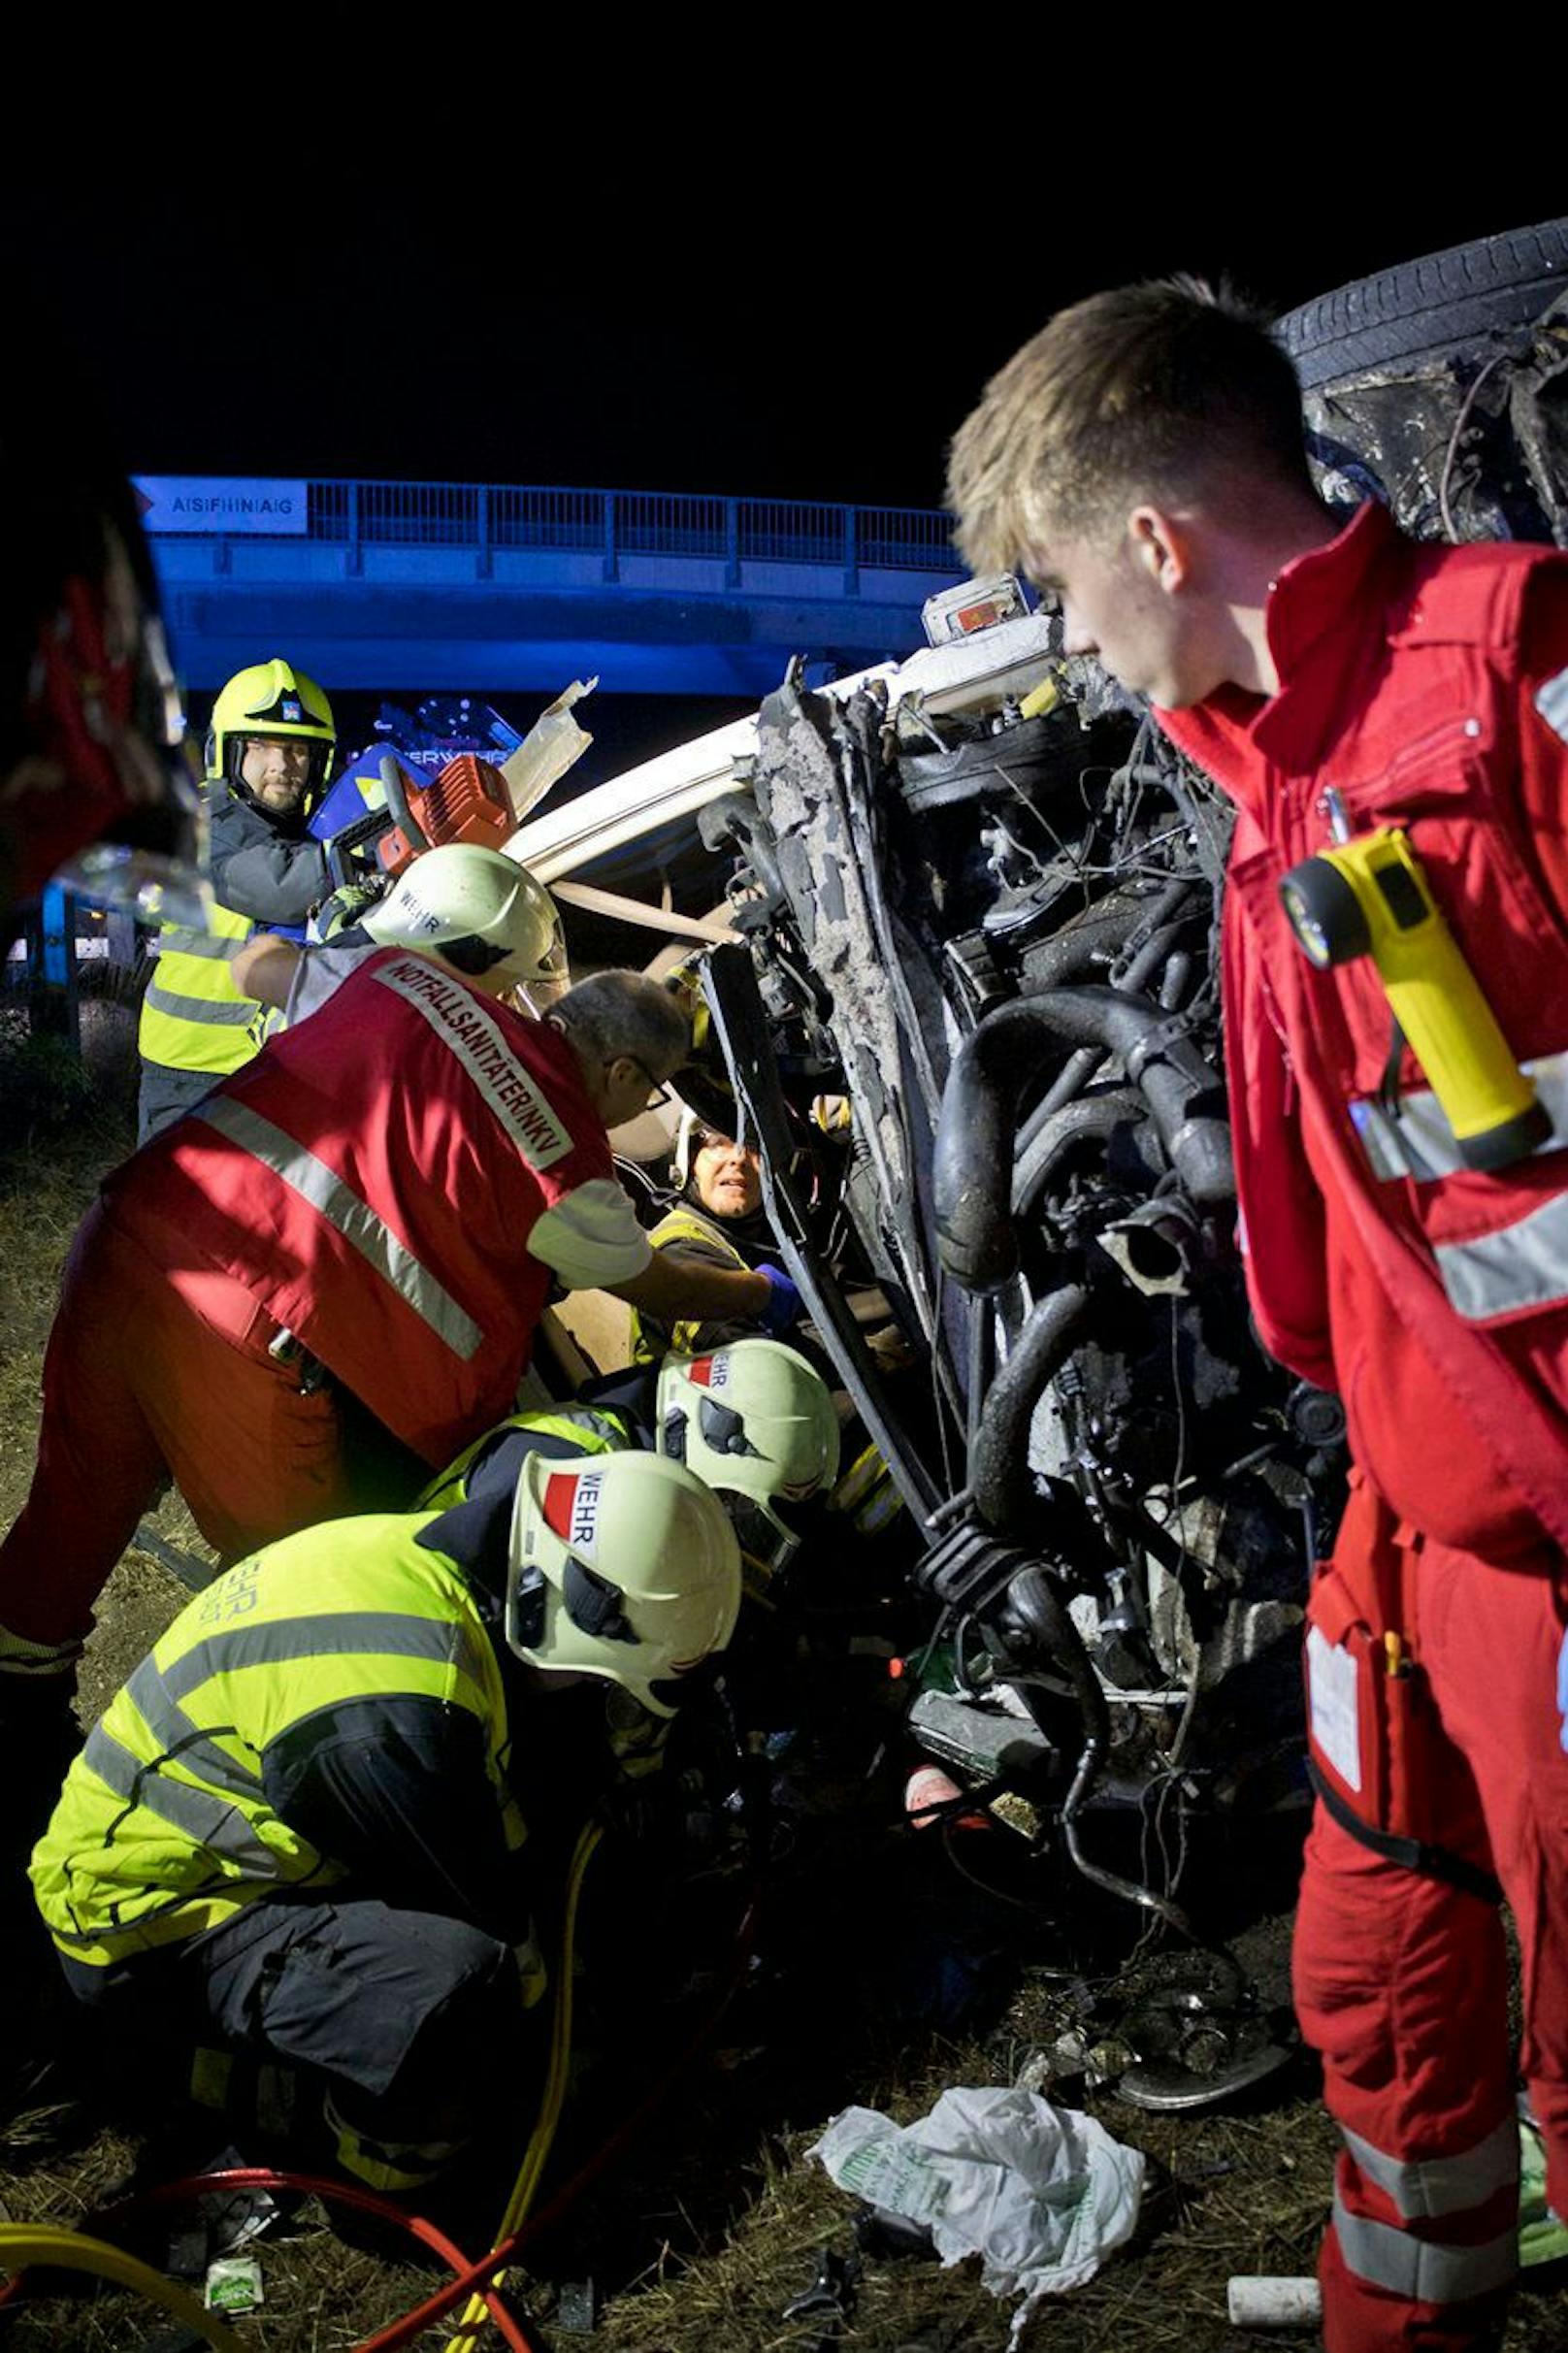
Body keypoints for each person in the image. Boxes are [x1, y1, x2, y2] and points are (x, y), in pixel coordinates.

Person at [948, 276, 1568, 2353]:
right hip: (1408, 1518)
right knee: (1379, 1964)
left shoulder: (1518, 675)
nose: (1064, 639)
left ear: (1150, 537)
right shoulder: (1270, 776)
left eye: (1053, 583)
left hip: (1554, 1549)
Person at [0, 939, 800, 1784]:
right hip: (244, 1328)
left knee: (74, 1505)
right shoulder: (565, 1162)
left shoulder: (399, 976)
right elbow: (659, 1285)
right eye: (648, 1091)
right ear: (626, 1074)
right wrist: (759, 1294)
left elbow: (262, 964)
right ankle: (252, 1795)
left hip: (133, 1232)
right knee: (308, 1595)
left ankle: (15, 1713)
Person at [29, 1448, 740, 2191]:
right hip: (145, 1922)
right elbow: (498, 1915)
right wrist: (575, 2038)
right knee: (460, 1993)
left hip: (240, 1829)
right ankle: (363, 2151)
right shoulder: (398, 1724)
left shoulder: (446, 1567)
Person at [136, 658, 339, 1143]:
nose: (282, 767)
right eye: (263, 748)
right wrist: (376, 854)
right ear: (226, 755)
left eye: (296, 751)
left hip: (256, 1063)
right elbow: (280, 890)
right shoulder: (208, 825)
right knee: (177, 1215)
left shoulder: (291, 837)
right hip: (190, 1068)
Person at [630, 1111, 785, 1361]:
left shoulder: (768, 1238)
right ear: (688, 1163)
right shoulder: (678, 1249)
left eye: (754, 1146)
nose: (739, 1158)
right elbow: (753, 1367)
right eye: (717, 1143)